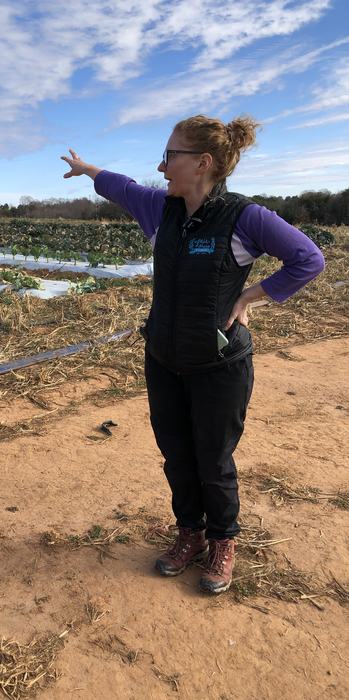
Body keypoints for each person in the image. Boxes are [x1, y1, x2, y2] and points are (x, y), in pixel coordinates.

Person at [61, 115, 325, 594]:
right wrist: (88, 168)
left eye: (170, 156)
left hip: (219, 366)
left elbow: (308, 260)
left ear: (202, 163)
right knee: (176, 455)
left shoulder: (246, 217)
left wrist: (249, 298)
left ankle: (224, 540)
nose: (161, 168)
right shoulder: (160, 208)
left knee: (214, 459)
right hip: (164, 358)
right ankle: (191, 533)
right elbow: (120, 186)